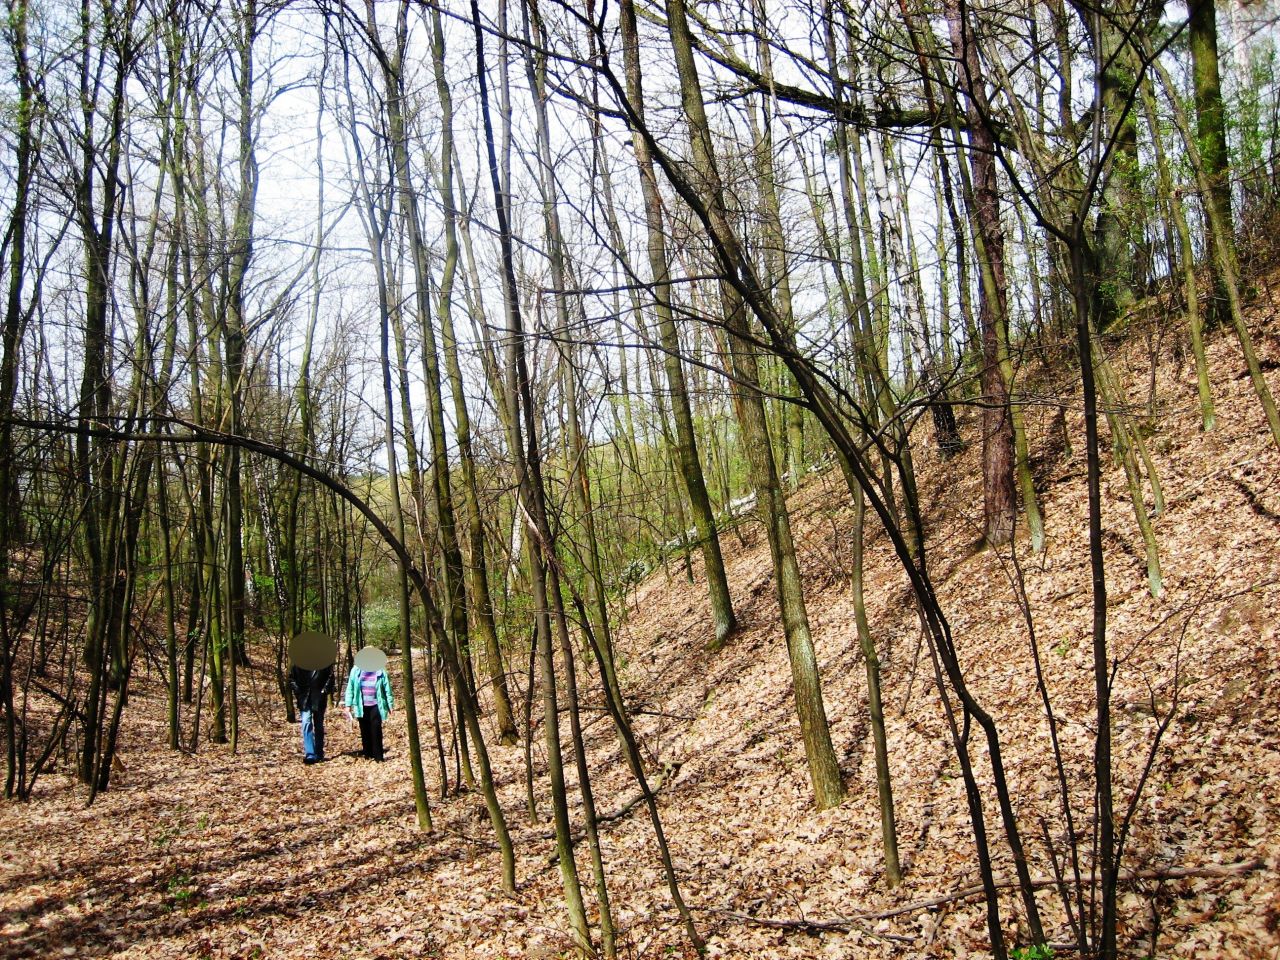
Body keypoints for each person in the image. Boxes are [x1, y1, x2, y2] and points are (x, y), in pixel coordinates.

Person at [343, 662, 393, 761]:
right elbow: (350, 688)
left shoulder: (381, 671)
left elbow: (387, 688)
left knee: (376, 729)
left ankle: (378, 756)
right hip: (361, 705)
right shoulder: (355, 671)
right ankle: (368, 754)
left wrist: (390, 705)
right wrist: (348, 705)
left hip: (376, 705)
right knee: (365, 730)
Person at [289, 663, 335, 764]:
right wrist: (297, 691)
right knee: (306, 722)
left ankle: (319, 753)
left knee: (318, 725)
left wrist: (324, 691)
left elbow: (331, 678)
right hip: (304, 698)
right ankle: (310, 754)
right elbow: (291, 679)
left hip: (319, 698)